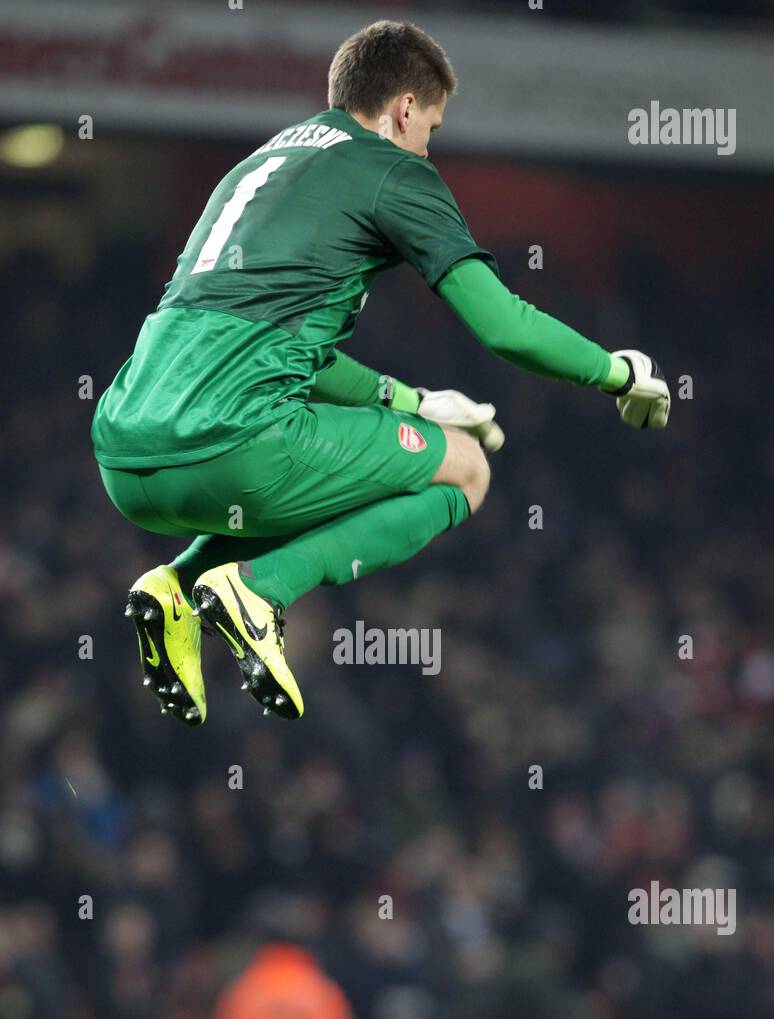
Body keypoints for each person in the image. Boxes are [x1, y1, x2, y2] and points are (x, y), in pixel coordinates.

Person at [92, 19, 669, 727]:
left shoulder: (258, 165)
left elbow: (288, 346)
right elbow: (503, 325)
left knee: (360, 460)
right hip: (231, 448)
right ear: (402, 109)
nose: (429, 145)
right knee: (464, 470)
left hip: (126, 457)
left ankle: (175, 587)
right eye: (431, 125)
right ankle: (260, 590)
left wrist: (413, 400)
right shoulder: (392, 169)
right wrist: (617, 372)